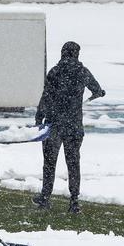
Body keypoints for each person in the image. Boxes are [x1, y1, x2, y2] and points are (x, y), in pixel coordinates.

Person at [33, 40, 106, 214]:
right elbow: (96, 90)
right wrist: (99, 93)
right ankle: (74, 201)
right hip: (74, 126)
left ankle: (45, 197)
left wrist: (39, 117)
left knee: (49, 163)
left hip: (54, 124)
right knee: (73, 164)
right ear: (77, 54)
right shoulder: (83, 72)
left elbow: (46, 96)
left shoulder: (55, 72)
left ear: (63, 53)